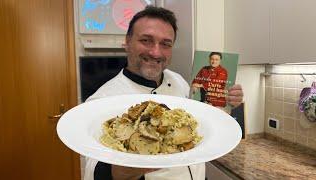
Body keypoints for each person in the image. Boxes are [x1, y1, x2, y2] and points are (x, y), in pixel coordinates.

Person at [84, 6, 243, 180]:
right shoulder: (102, 99)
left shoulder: (179, 81)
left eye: (166, 44)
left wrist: (226, 102)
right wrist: (117, 173)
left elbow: (201, 119)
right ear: (127, 43)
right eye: (146, 40)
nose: (155, 52)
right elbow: (91, 168)